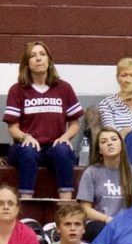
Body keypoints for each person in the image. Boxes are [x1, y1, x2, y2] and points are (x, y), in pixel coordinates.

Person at [3, 40, 83, 199]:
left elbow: (74, 124)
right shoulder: (17, 89)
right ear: (27, 63)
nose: (38, 58)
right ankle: (26, 205)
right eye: (33, 55)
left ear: (49, 60)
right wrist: (26, 137)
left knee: (63, 150)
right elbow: (12, 128)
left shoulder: (63, 88)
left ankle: (65, 206)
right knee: (28, 150)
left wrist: (65, 138)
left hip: (53, 147)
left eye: (42, 54)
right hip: (25, 147)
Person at [76, 127, 132, 236]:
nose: (110, 143)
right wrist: (107, 219)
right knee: (103, 231)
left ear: (122, 145)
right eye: (104, 141)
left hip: (125, 223)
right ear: (99, 149)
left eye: (114, 139)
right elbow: (85, 209)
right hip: (99, 222)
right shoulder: (91, 172)